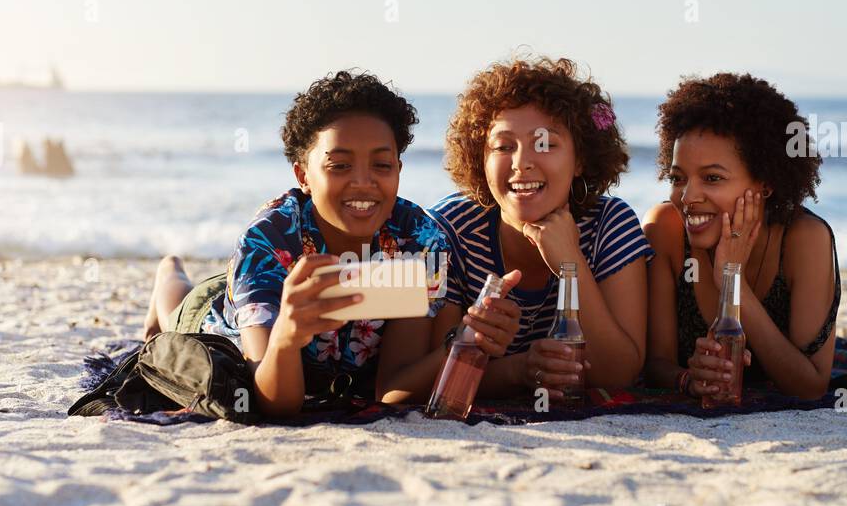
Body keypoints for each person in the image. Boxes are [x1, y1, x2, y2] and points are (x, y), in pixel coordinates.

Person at [140, 71, 522, 416]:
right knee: (179, 303)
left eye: (381, 165)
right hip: (222, 321)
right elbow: (273, 402)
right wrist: (287, 335)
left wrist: (466, 341)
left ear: (399, 171)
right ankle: (168, 271)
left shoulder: (420, 240)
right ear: (303, 175)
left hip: (312, 341)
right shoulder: (269, 239)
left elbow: (392, 389)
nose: (363, 182)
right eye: (339, 165)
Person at [425, 56, 652, 399]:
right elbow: (414, 384)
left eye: (544, 143)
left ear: (580, 160)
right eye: (503, 146)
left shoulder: (610, 225)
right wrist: (518, 371)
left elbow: (618, 373)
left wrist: (569, 265)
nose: (521, 162)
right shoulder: (450, 231)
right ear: (478, 158)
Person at [642, 73, 841, 401]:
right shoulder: (666, 229)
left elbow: (811, 386)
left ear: (765, 183)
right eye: (678, 178)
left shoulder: (804, 240)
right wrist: (688, 379)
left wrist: (732, 281)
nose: (688, 196)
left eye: (712, 177)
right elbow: (654, 364)